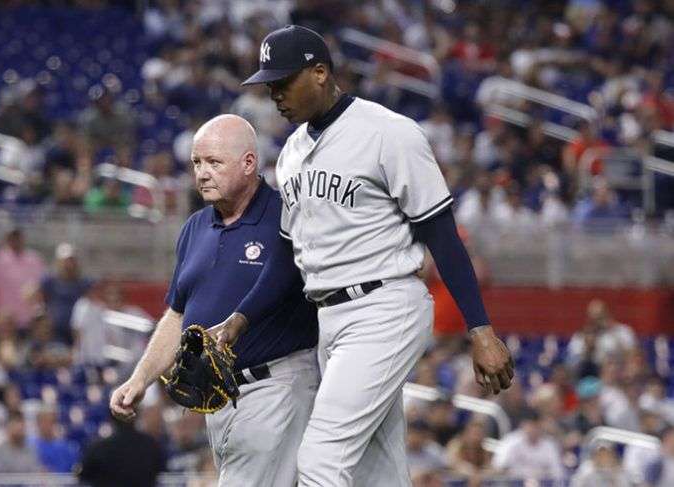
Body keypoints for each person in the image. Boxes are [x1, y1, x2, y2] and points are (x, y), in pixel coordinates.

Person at [214, 25, 513, 486]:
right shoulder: (291, 152)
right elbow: (286, 258)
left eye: (282, 82)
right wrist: (239, 320)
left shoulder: (388, 133)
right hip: (329, 320)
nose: (273, 94)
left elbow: (443, 237)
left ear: (319, 72)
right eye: (268, 84)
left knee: (319, 459)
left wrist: (481, 328)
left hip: (384, 307)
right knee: (379, 470)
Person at [109, 114, 319, 486]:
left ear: (249, 163)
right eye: (196, 163)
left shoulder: (285, 218)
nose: (202, 173)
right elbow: (177, 316)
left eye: (214, 162)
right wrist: (140, 379)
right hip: (219, 399)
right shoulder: (195, 228)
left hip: (276, 386)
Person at [0, 227, 46, 329]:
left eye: (17, 237)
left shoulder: (35, 259)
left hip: (30, 320)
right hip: (6, 322)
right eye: (12, 238)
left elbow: (42, 284)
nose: (15, 241)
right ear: (6, 239)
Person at [77, 416, 165, 487]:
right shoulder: (151, 445)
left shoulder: (99, 447)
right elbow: (160, 469)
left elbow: (83, 475)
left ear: (111, 419)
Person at [34, 243, 93, 345]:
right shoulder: (50, 282)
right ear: (59, 263)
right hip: (56, 332)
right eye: (66, 261)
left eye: (72, 261)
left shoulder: (84, 283)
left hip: (78, 332)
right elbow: (34, 295)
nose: (69, 265)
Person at [491, 409, 565, 482]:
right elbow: (498, 467)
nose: (534, 429)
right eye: (530, 425)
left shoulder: (549, 445)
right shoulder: (511, 442)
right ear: (523, 425)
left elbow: (558, 473)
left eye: (537, 426)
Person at [0, 411, 43, 477]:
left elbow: (35, 473)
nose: (20, 429)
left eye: (22, 427)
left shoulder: (31, 450)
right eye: (16, 426)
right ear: (8, 428)